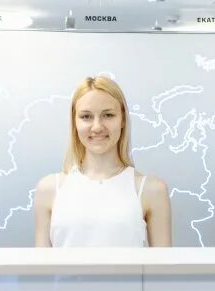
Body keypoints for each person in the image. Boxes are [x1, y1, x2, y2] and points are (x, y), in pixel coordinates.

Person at [34, 76, 172, 247]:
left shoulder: (152, 190)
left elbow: (162, 263)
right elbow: (42, 263)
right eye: (86, 116)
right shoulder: (49, 189)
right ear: (75, 122)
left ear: (122, 119)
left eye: (108, 115)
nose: (97, 127)